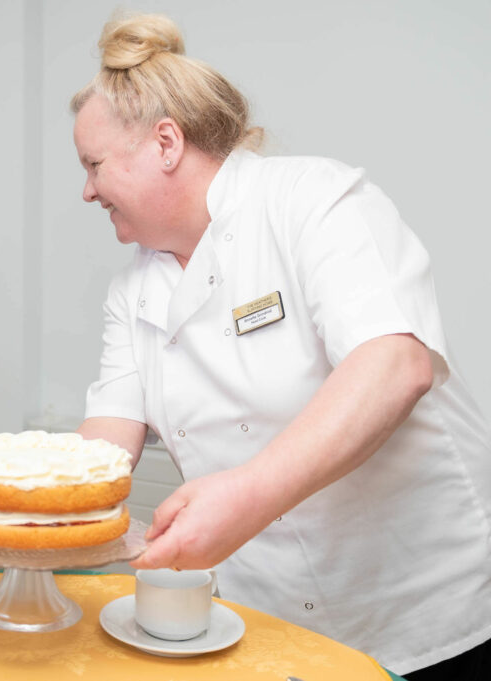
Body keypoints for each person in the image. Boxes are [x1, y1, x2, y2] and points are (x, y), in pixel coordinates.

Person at [70, 13, 490, 680]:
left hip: (427, 616)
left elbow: (395, 364)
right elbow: (104, 444)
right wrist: (39, 507)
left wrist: (245, 496)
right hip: (269, 627)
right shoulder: (133, 292)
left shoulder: (313, 202)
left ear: (167, 143)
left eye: (93, 164)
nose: (86, 188)